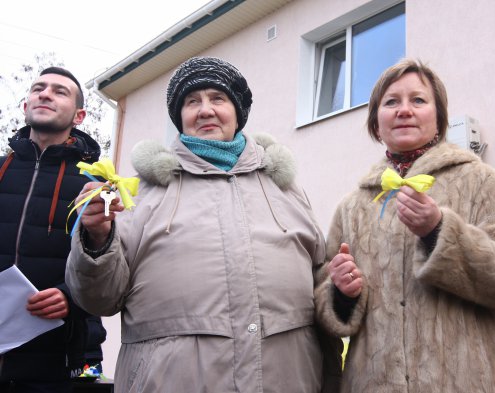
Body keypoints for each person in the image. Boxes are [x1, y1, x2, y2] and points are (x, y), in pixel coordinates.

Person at [65, 56, 341, 393]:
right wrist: (97, 237)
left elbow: (321, 278)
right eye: (192, 101)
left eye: (218, 98)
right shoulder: (143, 193)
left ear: (238, 111)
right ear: (180, 117)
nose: (205, 110)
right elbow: (99, 300)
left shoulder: (285, 189)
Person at [314, 58, 495, 393]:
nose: (404, 110)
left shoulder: (481, 182)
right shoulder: (352, 206)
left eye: (418, 100)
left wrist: (439, 231)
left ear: (439, 118)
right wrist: (341, 294)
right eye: (391, 102)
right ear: (377, 123)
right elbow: (325, 308)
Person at [0, 67, 106, 392]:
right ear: (25, 106)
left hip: (54, 365)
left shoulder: (95, 186)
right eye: (38, 88)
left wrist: (70, 297)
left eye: (59, 91)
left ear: (79, 115)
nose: (45, 94)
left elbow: (111, 266)